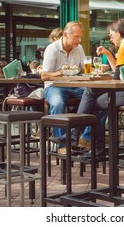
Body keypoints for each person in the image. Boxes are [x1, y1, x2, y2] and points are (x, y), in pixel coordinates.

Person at [76, 18, 124, 160]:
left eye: (111, 36)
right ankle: (79, 134)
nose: (111, 40)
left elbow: (117, 78)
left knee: (91, 99)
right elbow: (122, 72)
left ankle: (81, 136)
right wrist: (108, 54)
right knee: (91, 93)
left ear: (118, 33)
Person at [41, 21, 86, 154]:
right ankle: (61, 145)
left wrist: (97, 69)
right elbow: (44, 76)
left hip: (75, 85)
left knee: (96, 97)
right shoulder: (52, 49)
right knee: (57, 103)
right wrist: (60, 72)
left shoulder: (79, 48)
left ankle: (85, 138)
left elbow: (84, 70)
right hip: (55, 86)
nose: (80, 40)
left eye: (80, 37)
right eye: (76, 37)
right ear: (65, 35)